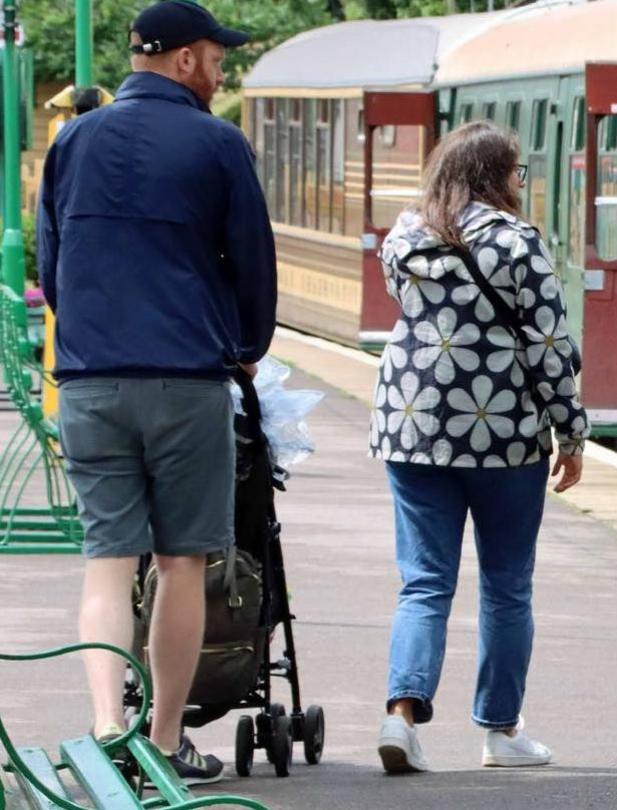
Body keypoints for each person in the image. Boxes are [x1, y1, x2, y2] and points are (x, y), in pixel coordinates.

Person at [37, 0, 276, 785]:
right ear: (181, 60)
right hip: (185, 381)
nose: (221, 70)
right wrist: (244, 352)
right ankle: (165, 739)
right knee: (180, 563)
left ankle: (108, 724)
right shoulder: (217, 142)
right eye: (216, 57)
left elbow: (54, 258)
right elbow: (252, 263)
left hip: (91, 383)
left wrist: (90, 343)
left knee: (108, 560)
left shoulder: (73, 139)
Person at [371, 121, 588, 774]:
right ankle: (500, 731)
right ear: (500, 176)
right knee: (506, 586)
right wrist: (571, 433)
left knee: (425, 583)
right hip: (503, 436)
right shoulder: (518, 241)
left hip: (412, 426)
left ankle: (401, 717)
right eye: (518, 172)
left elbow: (410, 308)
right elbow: (549, 346)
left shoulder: (406, 234)